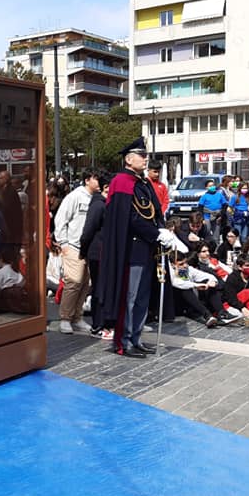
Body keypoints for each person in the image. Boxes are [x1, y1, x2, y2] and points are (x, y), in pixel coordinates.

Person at [96, 137, 185, 359]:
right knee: (131, 297)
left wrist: (161, 232)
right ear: (128, 159)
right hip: (131, 249)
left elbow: (152, 212)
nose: (145, 159)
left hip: (146, 248)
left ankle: (135, 337)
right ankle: (124, 341)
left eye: (145, 155)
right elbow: (132, 218)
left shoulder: (142, 183)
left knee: (142, 297)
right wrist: (156, 234)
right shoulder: (122, 182)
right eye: (141, 156)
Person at [53, 168, 99, 335]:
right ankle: (65, 318)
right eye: (96, 178)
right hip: (73, 246)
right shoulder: (74, 197)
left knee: (85, 283)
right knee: (73, 282)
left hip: (88, 247)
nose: (99, 182)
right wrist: (63, 243)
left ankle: (77, 317)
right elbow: (61, 219)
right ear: (87, 180)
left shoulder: (96, 198)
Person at [80, 171, 112, 340]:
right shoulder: (98, 205)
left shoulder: (106, 203)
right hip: (97, 252)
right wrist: (83, 251)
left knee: (104, 288)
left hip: (104, 252)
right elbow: (88, 230)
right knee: (99, 288)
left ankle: (105, 323)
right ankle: (97, 325)